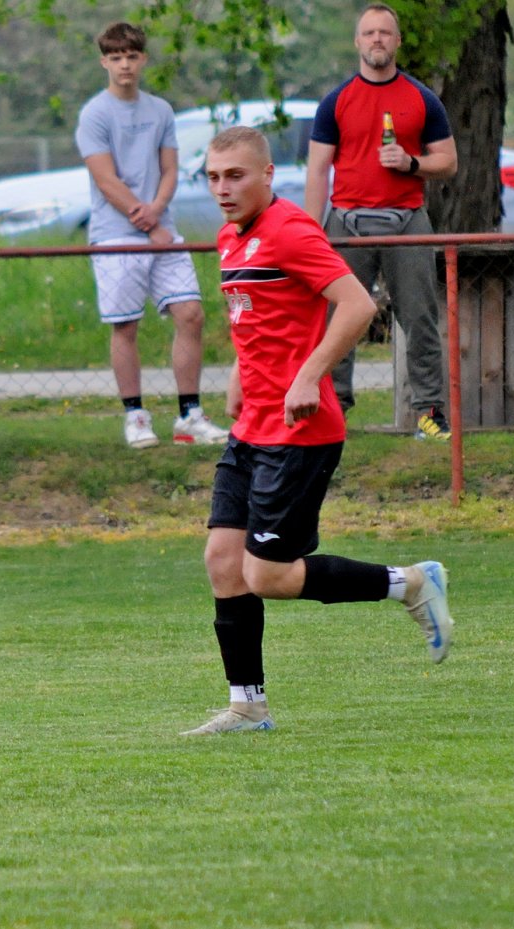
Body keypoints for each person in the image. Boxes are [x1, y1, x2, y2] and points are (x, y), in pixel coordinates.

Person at [185, 126, 454, 735]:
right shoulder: (231, 237)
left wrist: (309, 376)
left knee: (267, 576)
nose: (223, 189)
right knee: (223, 561)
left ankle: (410, 582)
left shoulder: (290, 229)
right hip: (253, 426)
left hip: (299, 431)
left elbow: (358, 304)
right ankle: (247, 707)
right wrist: (239, 374)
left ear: (267, 175)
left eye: (235, 176)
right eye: (214, 177)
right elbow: (262, 316)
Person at [305, 3, 457, 441]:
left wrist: (412, 163)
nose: (377, 39)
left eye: (385, 33)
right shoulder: (335, 101)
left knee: (421, 320)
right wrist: (311, 233)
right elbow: (318, 170)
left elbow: (448, 162)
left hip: (407, 221)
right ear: (357, 41)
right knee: (337, 320)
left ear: (397, 42)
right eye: (369, 32)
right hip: (346, 224)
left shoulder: (421, 98)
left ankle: (430, 415)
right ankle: (333, 412)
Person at [75, 22, 228, 450]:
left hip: (164, 232)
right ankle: (136, 416)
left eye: (131, 56)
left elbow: (170, 169)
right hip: (116, 236)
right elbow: (106, 180)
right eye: (116, 58)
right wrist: (148, 222)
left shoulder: (160, 110)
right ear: (104, 62)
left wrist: (159, 210)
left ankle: (189, 415)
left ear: (143, 59)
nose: (124, 65)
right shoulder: (95, 114)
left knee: (191, 314)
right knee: (125, 325)